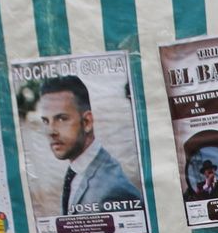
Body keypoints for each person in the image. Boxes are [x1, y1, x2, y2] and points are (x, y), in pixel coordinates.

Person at [35, 75, 141, 214]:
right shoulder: (78, 170)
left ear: (87, 122)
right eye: (45, 121)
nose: (50, 131)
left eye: (61, 119)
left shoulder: (112, 189)